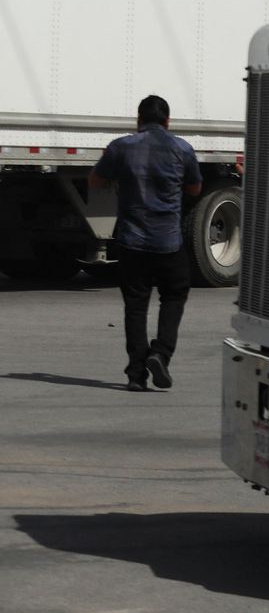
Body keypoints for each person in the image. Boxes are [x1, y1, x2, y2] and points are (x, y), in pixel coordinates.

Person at [88, 95, 202, 391]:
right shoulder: (182, 149)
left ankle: (136, 375)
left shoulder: (121, 147)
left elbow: (95, 182)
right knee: (174, 296)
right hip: (168, 242)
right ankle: (161, 353)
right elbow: (194, 188)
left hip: (132, 241)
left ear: (138, 120)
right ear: (168, 121)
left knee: (136, 306)